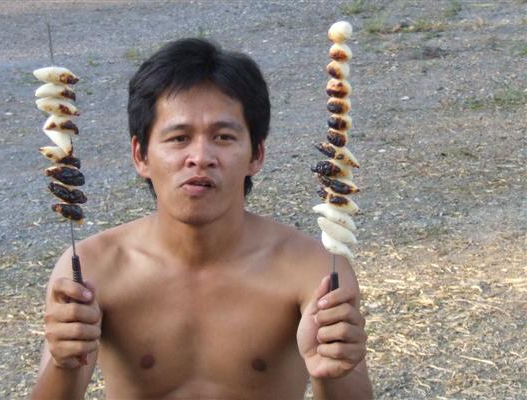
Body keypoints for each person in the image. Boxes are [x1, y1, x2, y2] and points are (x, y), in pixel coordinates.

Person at [31, 38, 372, 400]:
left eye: (223, 137)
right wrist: (63, 361)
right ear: (140, 155)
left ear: (256, 155)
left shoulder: (314, 271)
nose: (200, 156)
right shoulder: (92, 270)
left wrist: (331, 371)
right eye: (179, 138)